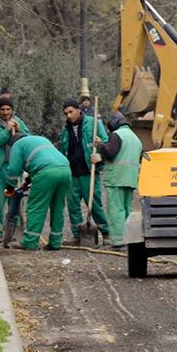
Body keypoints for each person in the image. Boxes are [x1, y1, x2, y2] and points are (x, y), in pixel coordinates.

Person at [3, 133, 72, 251]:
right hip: (65, 170)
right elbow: (41, 161)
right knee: (58, 207)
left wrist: (10, 188)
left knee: (36, 207)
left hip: (46, 173)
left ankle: (30, 242)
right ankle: (55, 243)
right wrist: (26, 183)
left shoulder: (16, 145)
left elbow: (14, 170)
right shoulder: (40, 139)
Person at [59, 98, 111, 245]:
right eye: (66, 113)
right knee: (73, 205)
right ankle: (77, 235)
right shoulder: (65, 130)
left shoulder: (94, 123)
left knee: (94, 204)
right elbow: (63, 151)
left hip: (89, 172)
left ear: (78, 110)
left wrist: (100, 153)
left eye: (71, 112)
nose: (69, 115)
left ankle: (106, 234)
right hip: (71, 173)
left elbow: (107, 144)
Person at [94, 111, 143, 249]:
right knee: (126, 210)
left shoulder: (117, 135)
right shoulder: (135, 138)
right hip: (130, 179)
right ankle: (128, 239)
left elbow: (110, 153)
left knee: (116, 210)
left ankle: (117, 241)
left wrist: (101, 145)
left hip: (116, 178)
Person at [0, 97, 30, 241]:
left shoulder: (18, 121)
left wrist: (18, 130)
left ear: (12, 110)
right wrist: (6, 131)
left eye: (8, 109)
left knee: (14, 199)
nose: (5, 112)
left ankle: (12, 231)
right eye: (2, 109)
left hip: (14, 167)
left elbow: (27, 139)